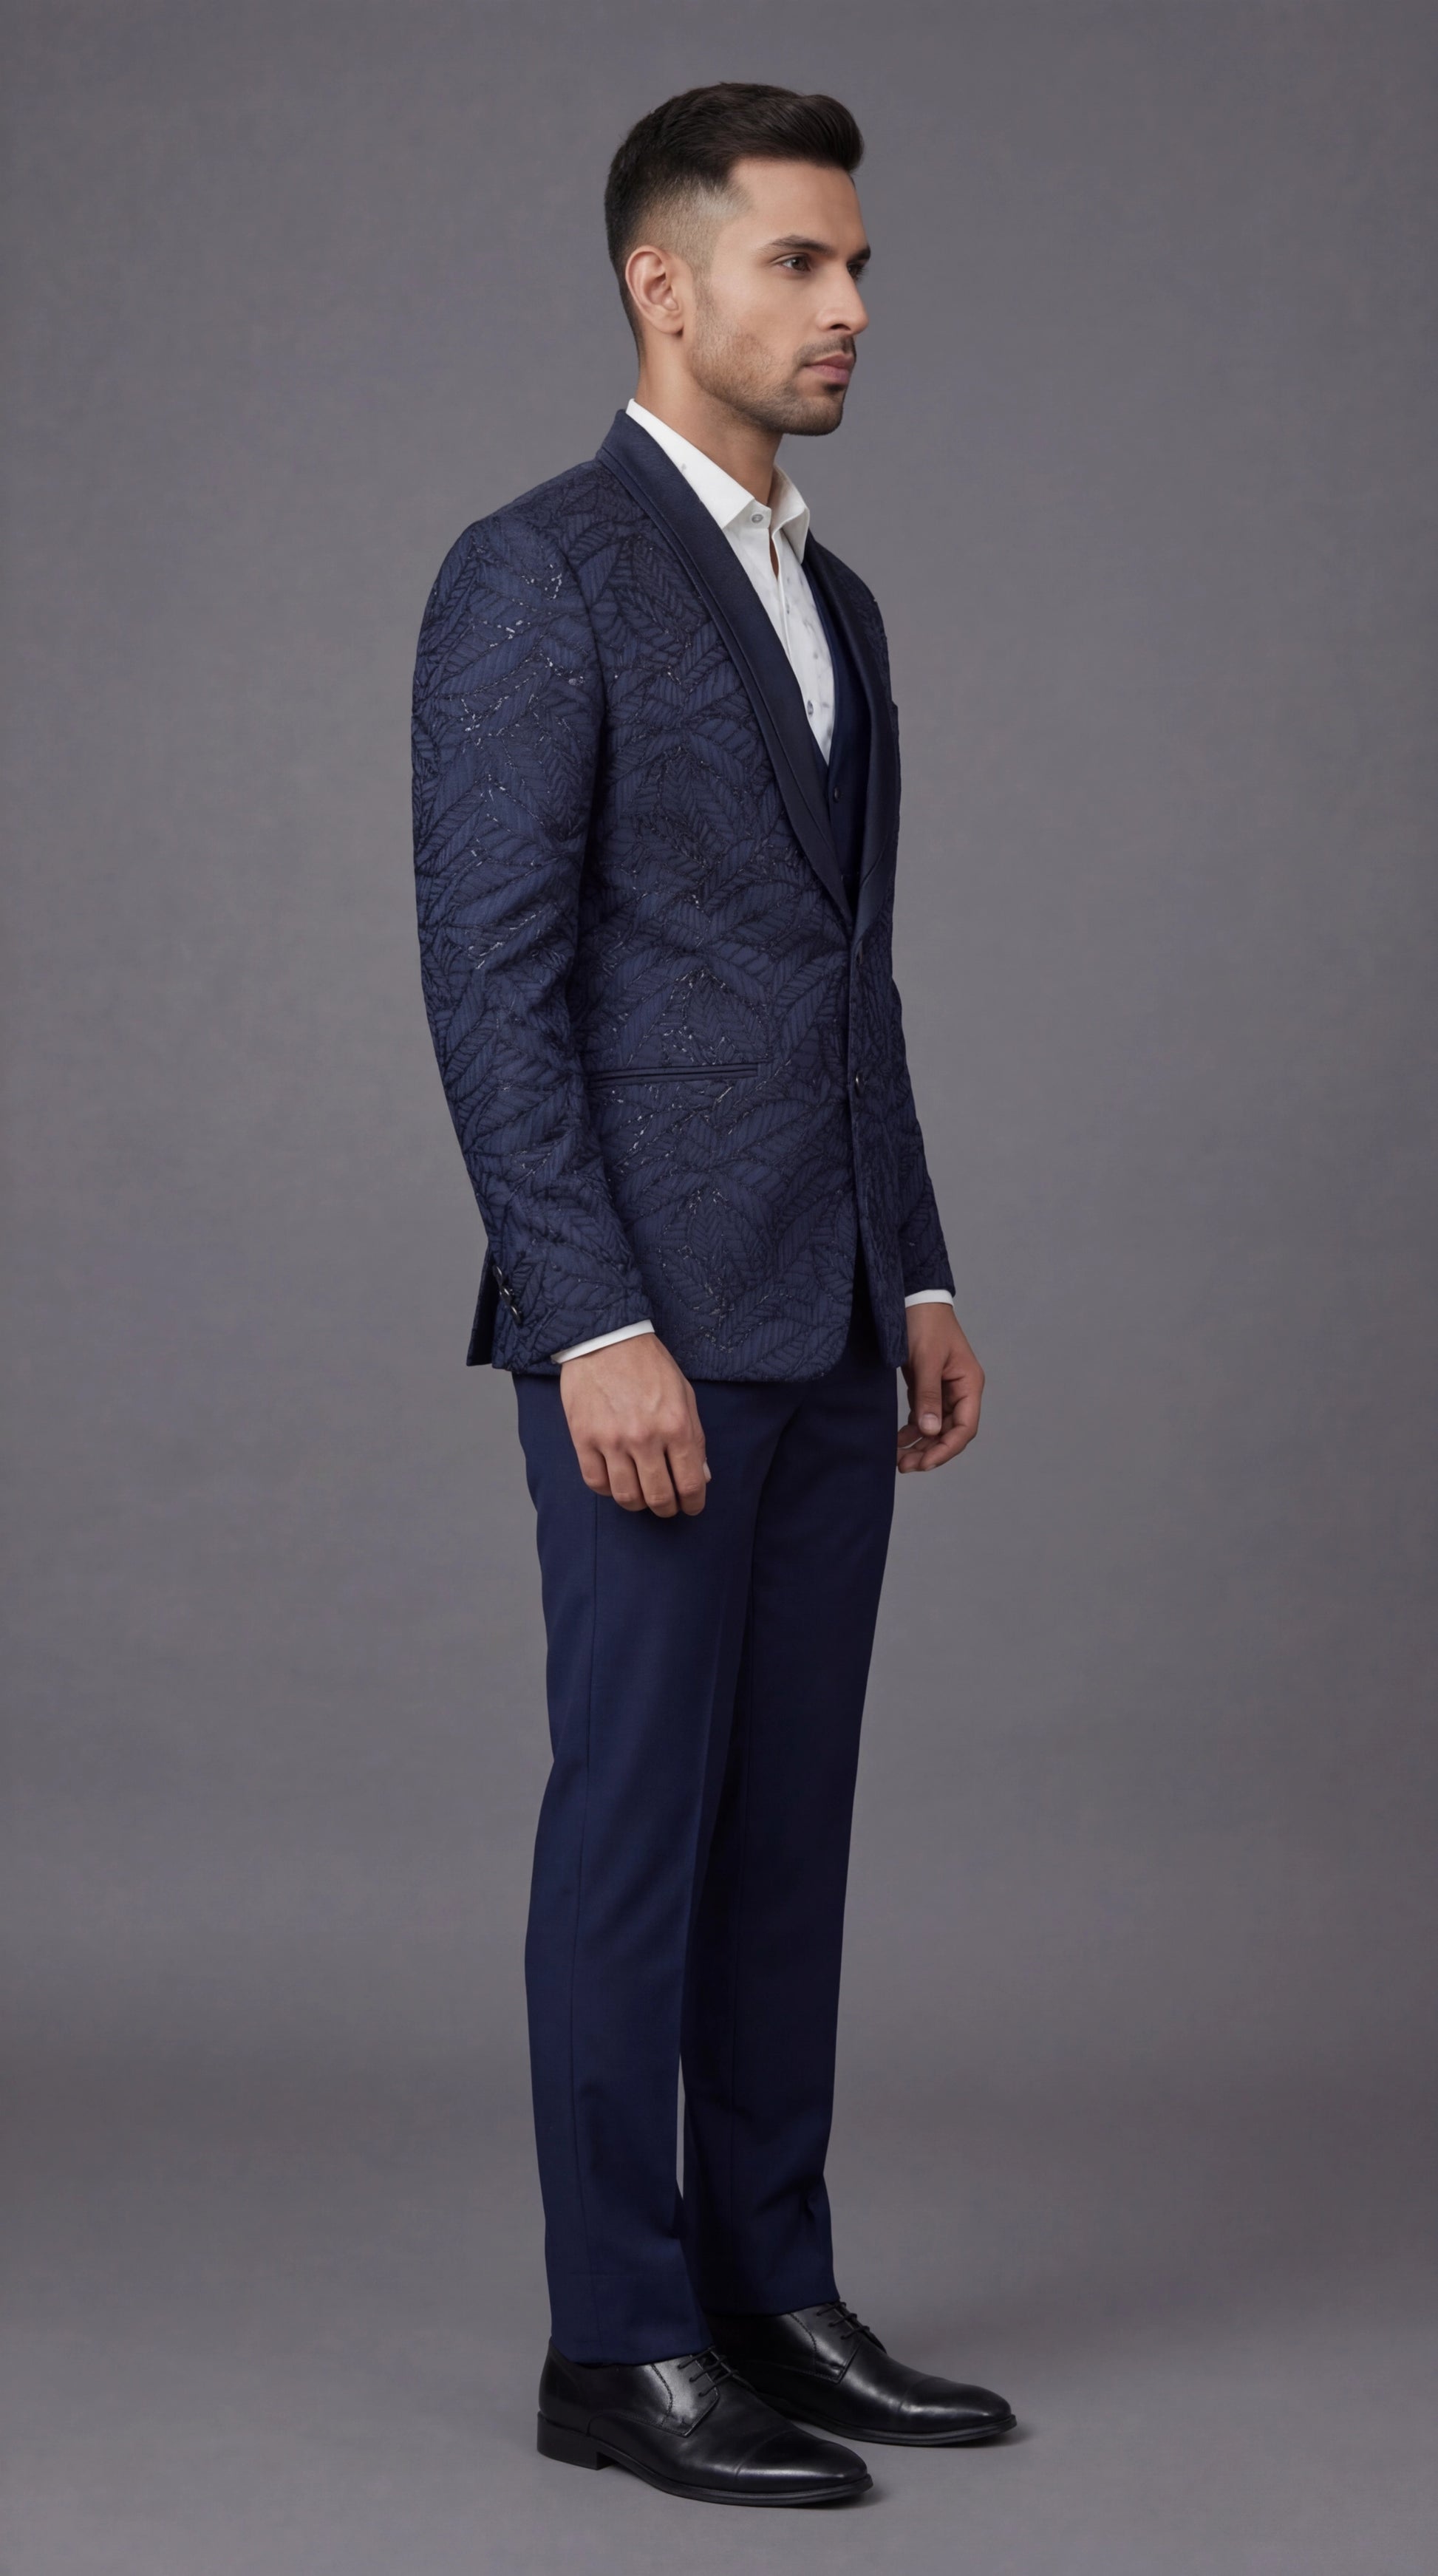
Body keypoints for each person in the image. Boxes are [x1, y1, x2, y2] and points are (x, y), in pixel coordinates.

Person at [412, 81, 1016, 2507]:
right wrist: (591, 1322)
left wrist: (920, 1265)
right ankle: (621, 2338)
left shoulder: (834, 603)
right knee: (638, 1835)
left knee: (786, 1838)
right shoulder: (534, 572)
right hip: (645, 1336)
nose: (851, 306)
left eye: (858, 266)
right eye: (801, 262)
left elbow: (841, 979)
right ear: (662, 287)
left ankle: (773, 2288)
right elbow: (491, 982)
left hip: (829, 1314)